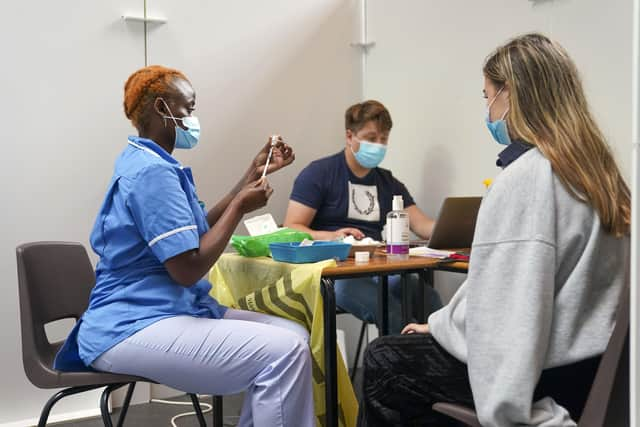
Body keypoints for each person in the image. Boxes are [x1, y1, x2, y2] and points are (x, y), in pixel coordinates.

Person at [357, 33, 630, 427]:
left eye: (487, 96)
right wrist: (440, 326)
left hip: (535, 380)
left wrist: (508, 414)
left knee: (384, 360)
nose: (486, 108)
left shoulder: (527, 179)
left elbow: (512, 316)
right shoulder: (599, 176)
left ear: (511, 96)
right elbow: (514, 291)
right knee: (412, 345)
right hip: (584, 371)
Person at [53, 65, 315, 427]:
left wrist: (251, 177)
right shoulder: (151, 173)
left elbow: (191, 234)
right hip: (132, 325)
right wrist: (240, 206)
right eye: (188, 109)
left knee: (293, 335)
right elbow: (188, 268)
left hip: (162, 311)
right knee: (283, 352)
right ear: (162, 108)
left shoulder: (150, 162)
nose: (193, 118)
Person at [283, 100, 442, 335]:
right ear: (350, 136)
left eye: (383, 139)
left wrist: (458, 227)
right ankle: (399, 369)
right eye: (371, 137)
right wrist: (332, 236)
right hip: (334, 273)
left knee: (427, 297)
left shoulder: (388, 182)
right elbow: (291, 227)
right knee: (392, 311)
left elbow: (422, 225)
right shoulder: (319, 174)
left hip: (378, 270)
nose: (378, 145)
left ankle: (440, 367)